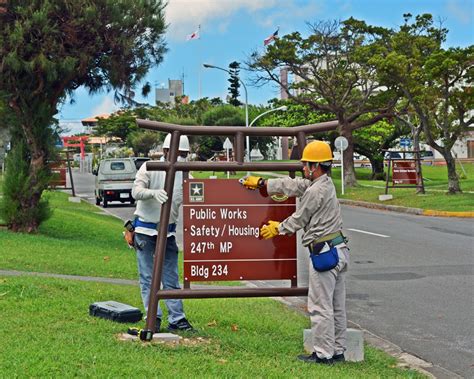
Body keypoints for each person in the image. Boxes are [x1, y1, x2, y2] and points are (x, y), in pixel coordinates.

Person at [240, 140, 349, 365]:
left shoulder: (315, 191)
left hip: (323, 252)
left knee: (320, 306)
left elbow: (299, 219)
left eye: (305, 164)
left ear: (315, 166)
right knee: (336, 306)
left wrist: (277, 228)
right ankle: (337, 350)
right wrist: (263, 183)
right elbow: (293, 185)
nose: (302, 168)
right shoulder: (323, 183)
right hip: (338, 250)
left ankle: (323, 354)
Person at [131, 133, 194, 333]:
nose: (180, 158)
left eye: (184, 154)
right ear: (166, 151)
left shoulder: (185, 173)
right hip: (145, 230)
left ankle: (177, 318)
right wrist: (152, 193)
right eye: (178, 153)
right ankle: (153, 317)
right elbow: (136, 191)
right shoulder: (149, 167)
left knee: (171, 277)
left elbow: (197, 195)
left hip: (168, 233)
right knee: (148, 277)